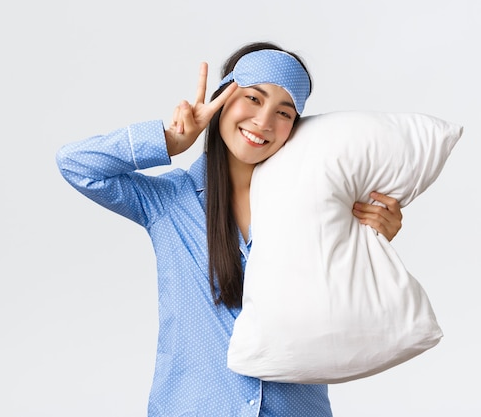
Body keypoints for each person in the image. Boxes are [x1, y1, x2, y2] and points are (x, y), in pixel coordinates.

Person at [56, 41, 403, 416]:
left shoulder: (316, 207)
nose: (263, 121)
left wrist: (374, 241)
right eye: (253, 98)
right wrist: (168, 142)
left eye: (284, 113)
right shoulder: (170, 202)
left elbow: (342, 309)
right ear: (222, 99)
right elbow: (76, 165)